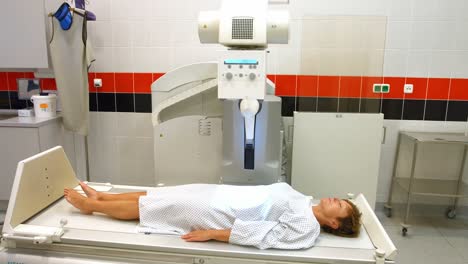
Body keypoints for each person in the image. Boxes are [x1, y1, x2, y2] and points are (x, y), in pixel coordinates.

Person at [64, 182, 361, 250]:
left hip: (221, 212)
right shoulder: (304, 202)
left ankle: (93, 207)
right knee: (164, 194)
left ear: (334, 223)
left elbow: (263, 236)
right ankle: (104, 197)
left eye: (341, 206)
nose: (336, 200)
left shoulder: (307, 227)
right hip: (223, 195)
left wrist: (213, 234)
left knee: (157, 208)